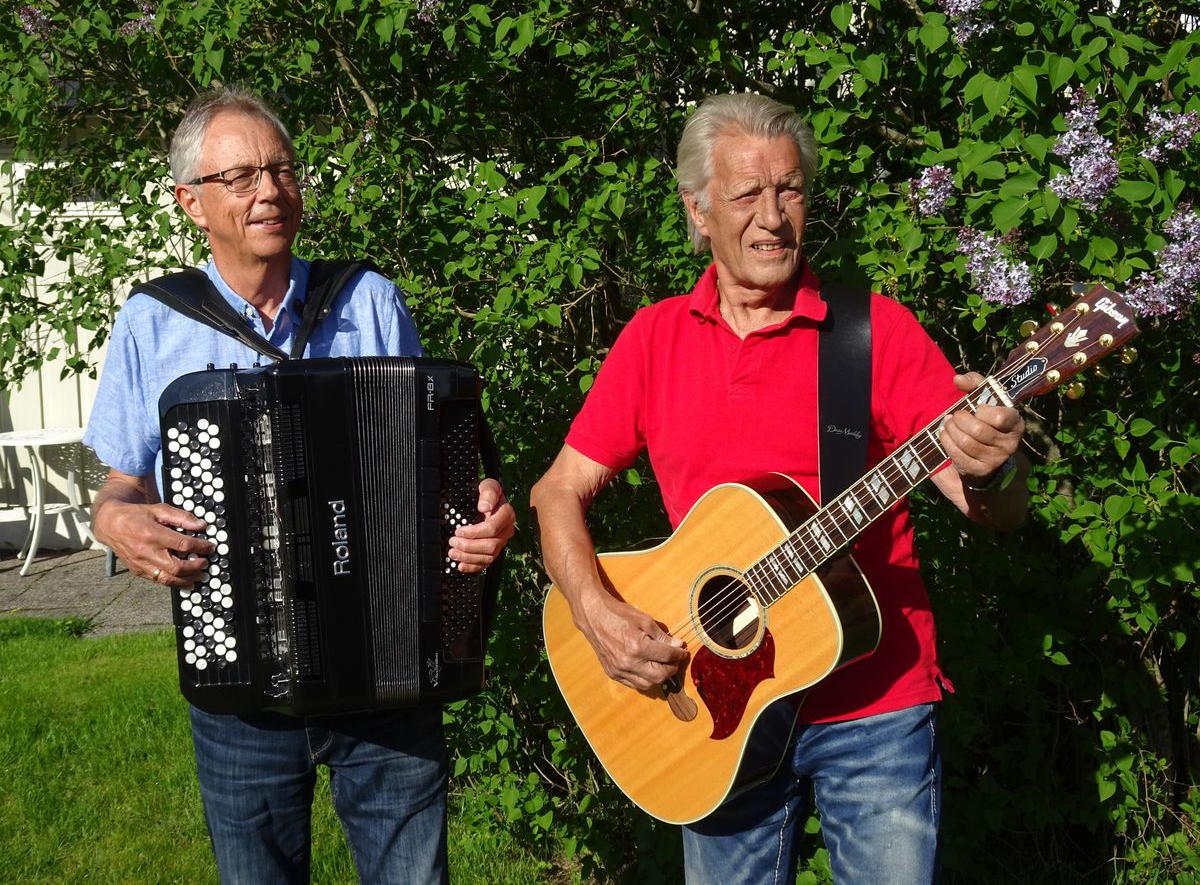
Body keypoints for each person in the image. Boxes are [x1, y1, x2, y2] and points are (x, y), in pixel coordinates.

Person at [529, 92, 1029, 883]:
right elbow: (556, 491)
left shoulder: (872, 332)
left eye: (790, 189)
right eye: (746, 194)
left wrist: (995, 462)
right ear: (698, 210)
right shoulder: (653, 339)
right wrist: (596, 615)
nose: (773, 216)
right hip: (706, 704)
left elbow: (991, 507)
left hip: (875, 703)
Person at [85, 88, 515, 884]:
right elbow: (119, 486)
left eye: (281, 169)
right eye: (242, 175)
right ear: (192, 202)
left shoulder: (367, 299)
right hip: (243, 694)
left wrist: (484, 507)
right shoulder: (155, 319)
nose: (270, 190)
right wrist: (117, 522)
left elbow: (440, 462)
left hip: (388, 684)